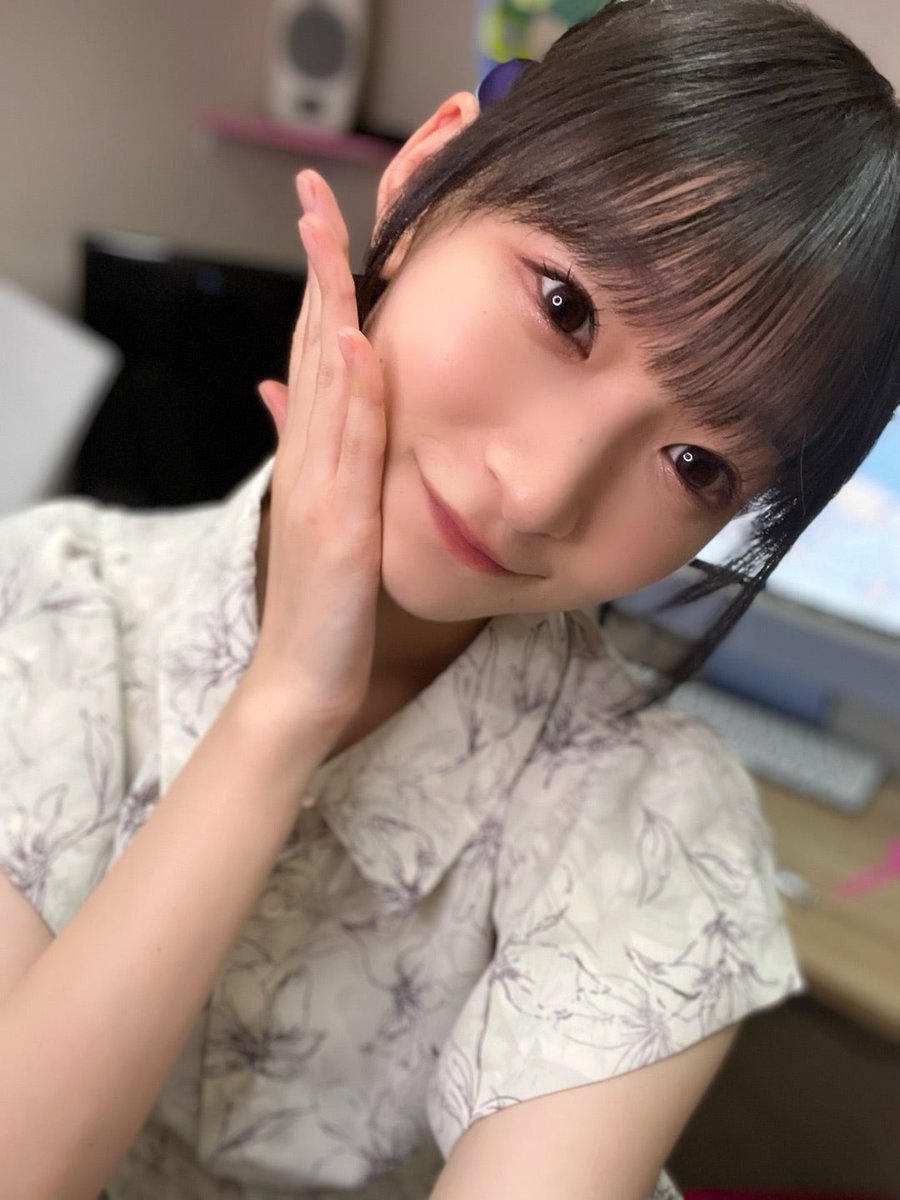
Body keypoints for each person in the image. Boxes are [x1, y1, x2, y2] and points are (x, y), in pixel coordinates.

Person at [0, 1, 898, 1197]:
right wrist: (281, 708)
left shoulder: (652, 835)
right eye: (565, 307)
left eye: (697, 466)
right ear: (423, 179)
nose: (540, 494)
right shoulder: (45, 608)